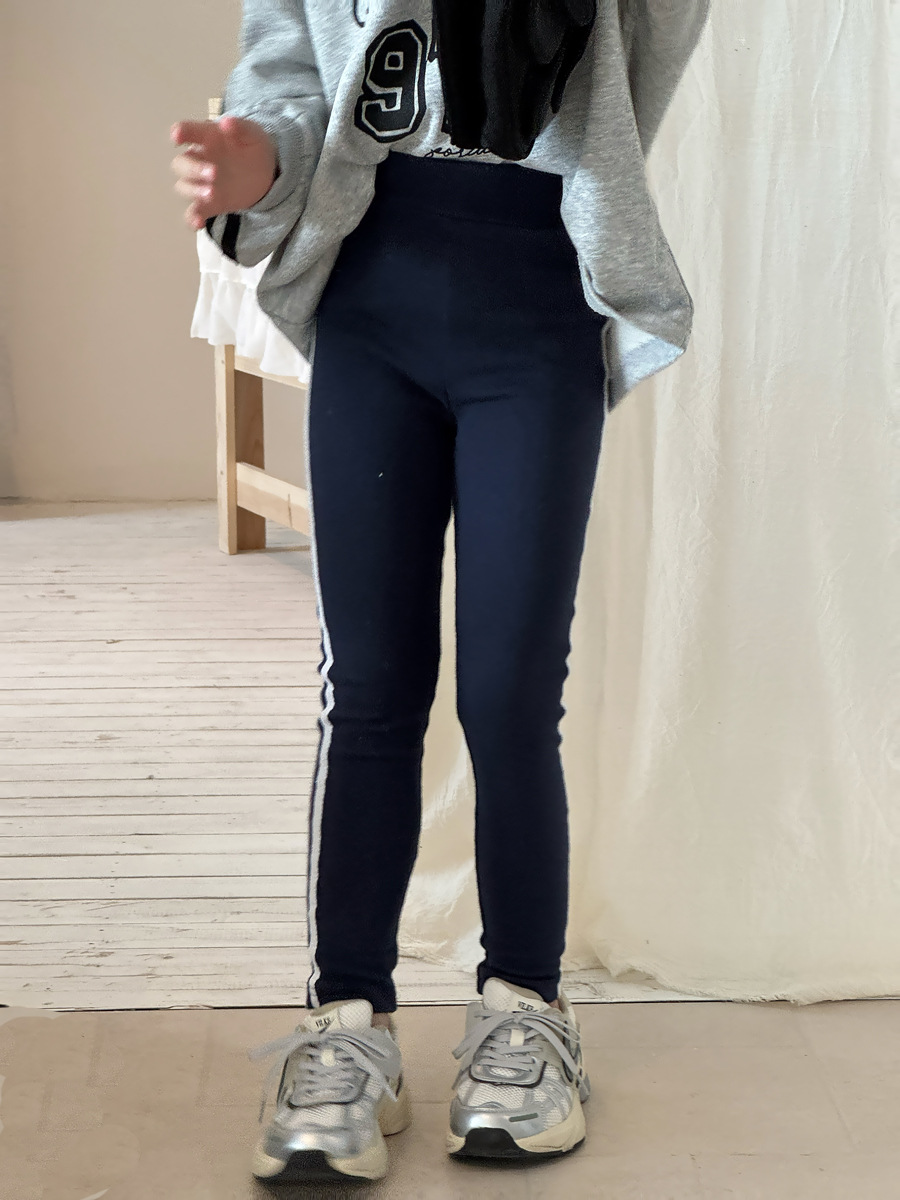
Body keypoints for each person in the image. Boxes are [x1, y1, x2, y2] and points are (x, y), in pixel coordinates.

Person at [171, 0, 708, 1184]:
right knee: (369, 688)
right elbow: (289, 75)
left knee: (511, 693)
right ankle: (346, 1022)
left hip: (540, 297)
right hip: (374, 294)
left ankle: (526, 1008)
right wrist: (259, 160)